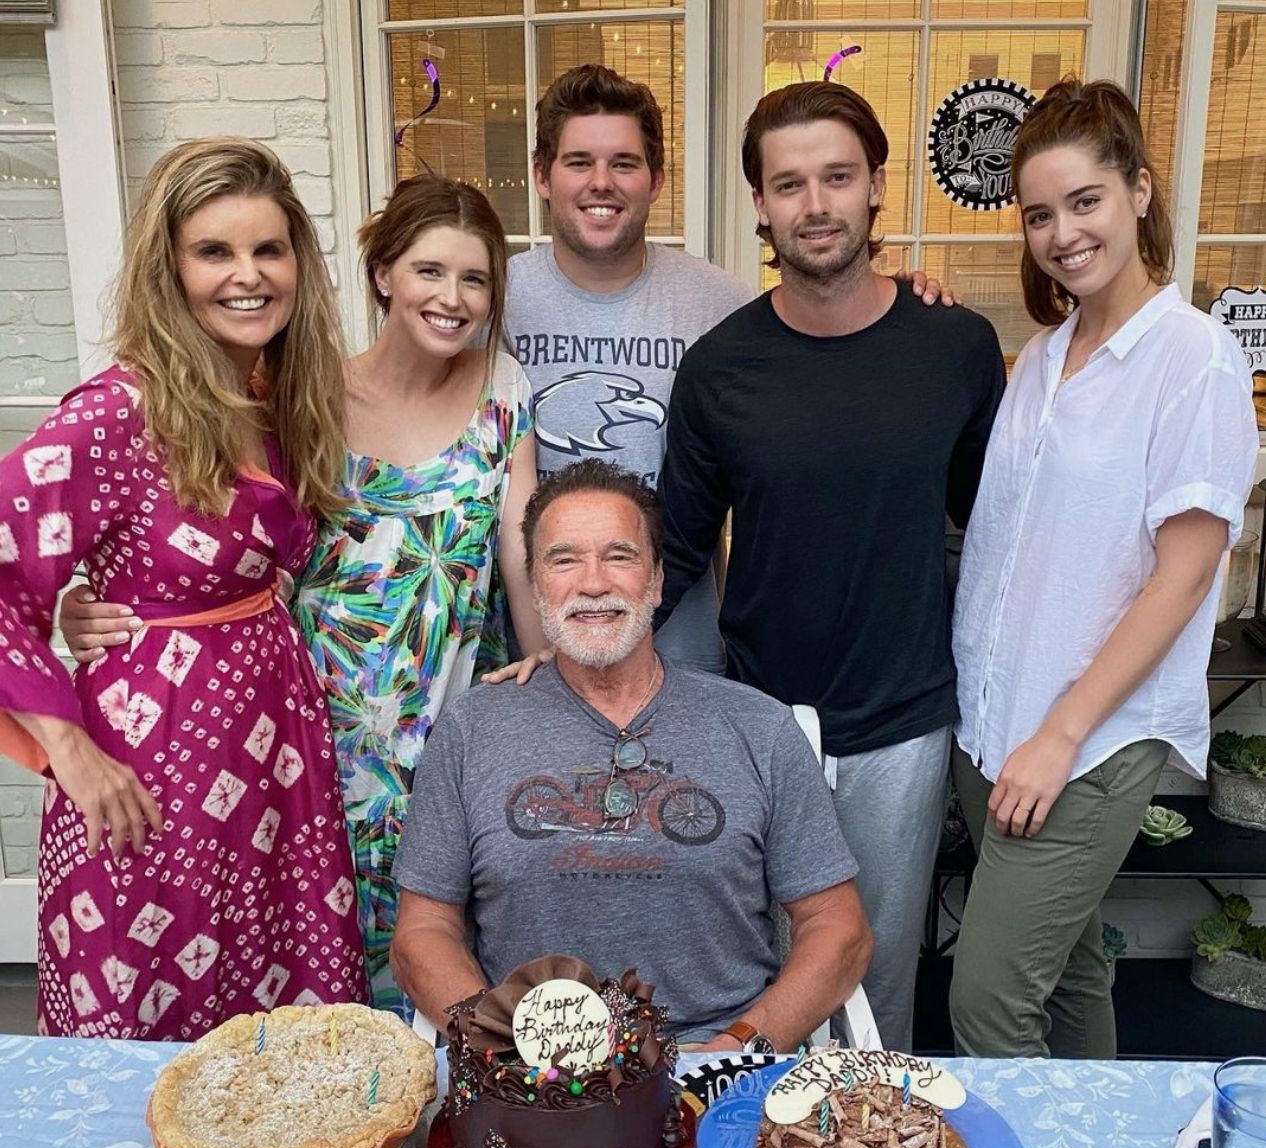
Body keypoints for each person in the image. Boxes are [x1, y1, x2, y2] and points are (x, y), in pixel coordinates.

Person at [61, 175, 546, 1018]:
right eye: (430, 270)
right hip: (316, 712)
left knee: (451, 922)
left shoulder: (502, 389)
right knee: (320, 932)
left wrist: (546, 666)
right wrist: (92, 597)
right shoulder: (299, 392)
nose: (453, 297)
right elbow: (224, 538)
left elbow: (520, 543)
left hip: (453, 705)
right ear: (384, 272)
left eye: (475, 279)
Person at [654, 81, 1007, 1053]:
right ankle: (762, 1131)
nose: (816, 204)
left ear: (878, 187)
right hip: (763, 721)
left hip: (904, 720)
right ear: (761, 205)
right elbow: (675, 547)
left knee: (878, 977)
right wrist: (571, 657)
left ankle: (871, 1138)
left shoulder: (955, 346)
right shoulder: (720, 369)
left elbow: (994, 528)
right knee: (765, 971)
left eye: (838, 177)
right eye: (790, 184)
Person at [0, 138, 367, 1039]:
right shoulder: (116, 413)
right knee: (153, 1004)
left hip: (275, 754)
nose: (248, 276)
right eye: (214, 252)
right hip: (155, 761)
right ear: (169, 270)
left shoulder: (272, 395)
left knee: (279, 1024)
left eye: (268, 249)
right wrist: (68, 751)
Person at [948, 79, 1257, 1059]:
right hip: (994, 723)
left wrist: (1060, 734)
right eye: (1039, 213)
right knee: (1071, 966)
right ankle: (1102, 1146)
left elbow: (1185, 577)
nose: (1062, 233)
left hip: (1083, 740)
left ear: (1140, 190)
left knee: (988, 1004)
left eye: (1084, 201)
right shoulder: (1044, 357)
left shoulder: (1193, 360)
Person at [391, 460, 873, 1049]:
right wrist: (500, 1047)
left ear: (658, 580)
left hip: (717, 1061)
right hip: (528, 1066)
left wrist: (738, 1046)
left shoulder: (759, 726)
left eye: (619, 556)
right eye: (564, 560)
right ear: (535, 586)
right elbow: (423, 931)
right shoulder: (472, 729)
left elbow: (839, 928)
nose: (593, 583)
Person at [505, 64, 953, 673]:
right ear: (542, 176)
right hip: (535, 658)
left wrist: (901, 307)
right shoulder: (492, 303)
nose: (601, 183)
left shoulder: (723, 306)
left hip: (687, 660)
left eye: (625, 163)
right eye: (579, 162)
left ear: (657, 179)